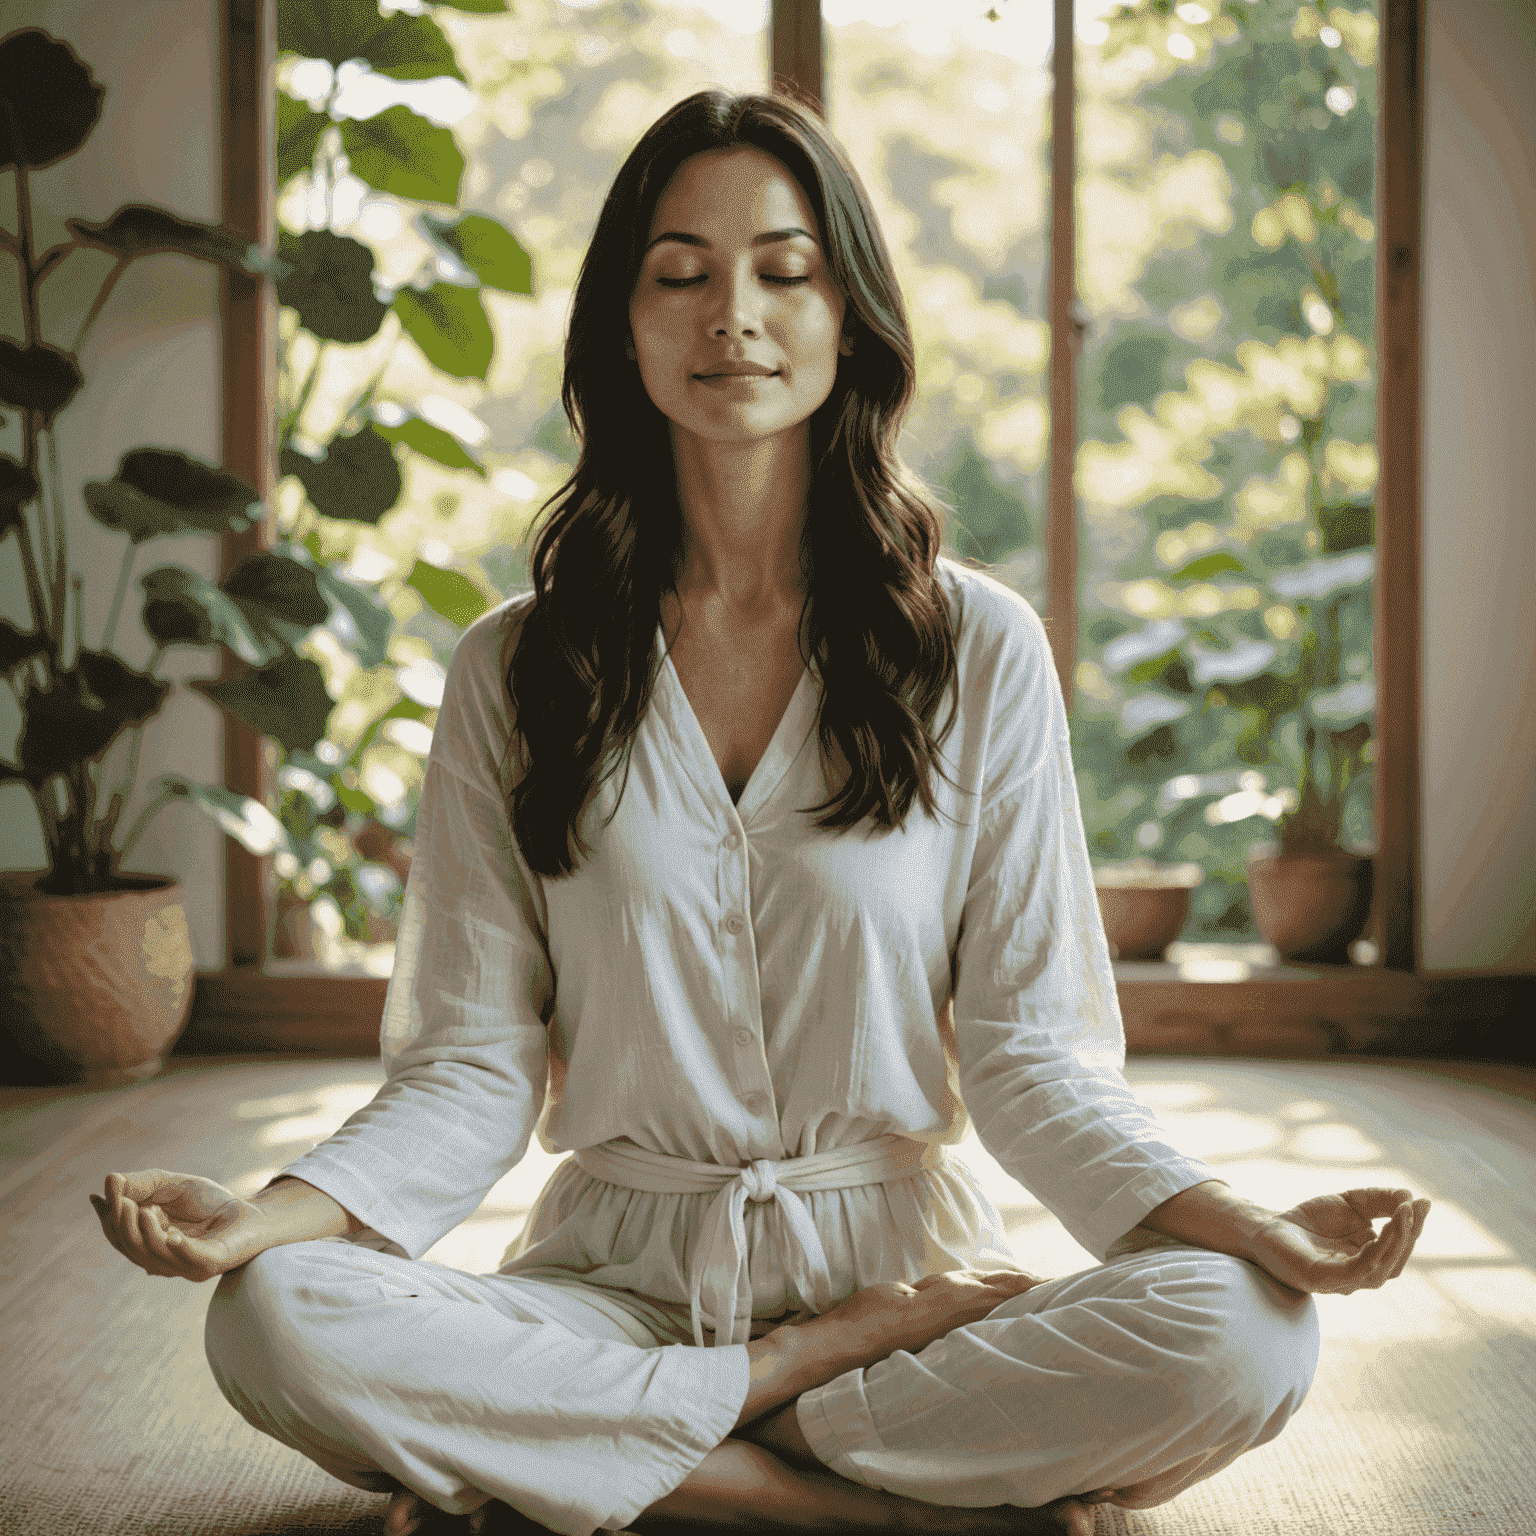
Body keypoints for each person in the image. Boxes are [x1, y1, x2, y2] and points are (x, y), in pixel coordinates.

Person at [91, 90, 1429, 1536]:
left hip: (906, 1299)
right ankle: (846, 1484)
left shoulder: (976, 648)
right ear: (622, 322)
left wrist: (1251, 1226)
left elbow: (1037, 1064)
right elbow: (470, 1071)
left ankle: (603, 1467)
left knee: (1248, 1332)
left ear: (849, 317)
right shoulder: (512, 665)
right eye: (682, 274)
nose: (735, 313)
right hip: (611, 1288)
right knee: (273, 1318)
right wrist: (265, 1215)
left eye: (784, 271)